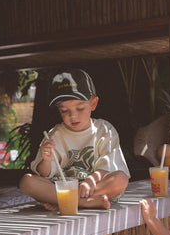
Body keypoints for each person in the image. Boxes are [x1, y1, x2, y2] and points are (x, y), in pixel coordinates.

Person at [19, 68, 130, 210]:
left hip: (97, 188)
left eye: (80, 108)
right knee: (26, 182)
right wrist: (46, 160)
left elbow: (108, 168)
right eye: (64, 111)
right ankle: (83, 202)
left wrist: (91, 180)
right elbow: (44, 174)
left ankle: (65, 201)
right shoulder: (55, 134)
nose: (73, 116)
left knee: (120, 179)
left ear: (93, 103)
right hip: (64, 188)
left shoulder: (105, 130)